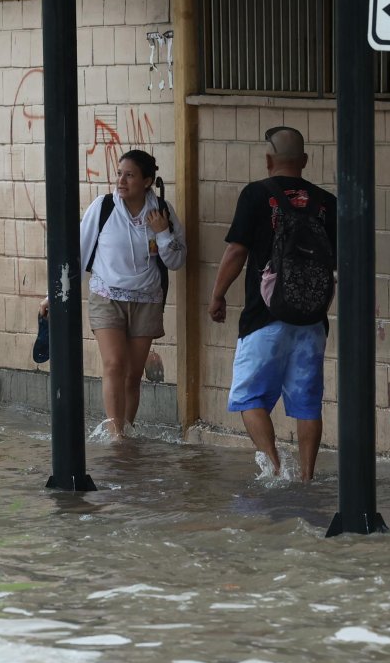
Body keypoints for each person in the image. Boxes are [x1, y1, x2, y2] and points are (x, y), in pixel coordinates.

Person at [207, 126, 336, 482]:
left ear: (268, 160)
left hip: (264, 317)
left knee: (249, 398)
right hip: (312, 321)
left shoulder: (256, 195)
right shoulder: (327, 203)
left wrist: (218, 295)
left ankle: (276, 468)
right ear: (304, 160)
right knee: (307, 403)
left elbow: (237, 251)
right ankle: (307, 476)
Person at [40, 150, 186, 439]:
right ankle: (116, 434)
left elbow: (177, 261)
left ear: (147, 181)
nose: (121, 180)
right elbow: (78, 252)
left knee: (132, 375)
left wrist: (163, 233)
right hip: (106, 297)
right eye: (119, 174)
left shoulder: (162, 211)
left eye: (129, 175)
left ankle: (126, 431)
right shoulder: (103, 207)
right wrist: (53, 295)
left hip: (146, 300)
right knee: (114, 364)